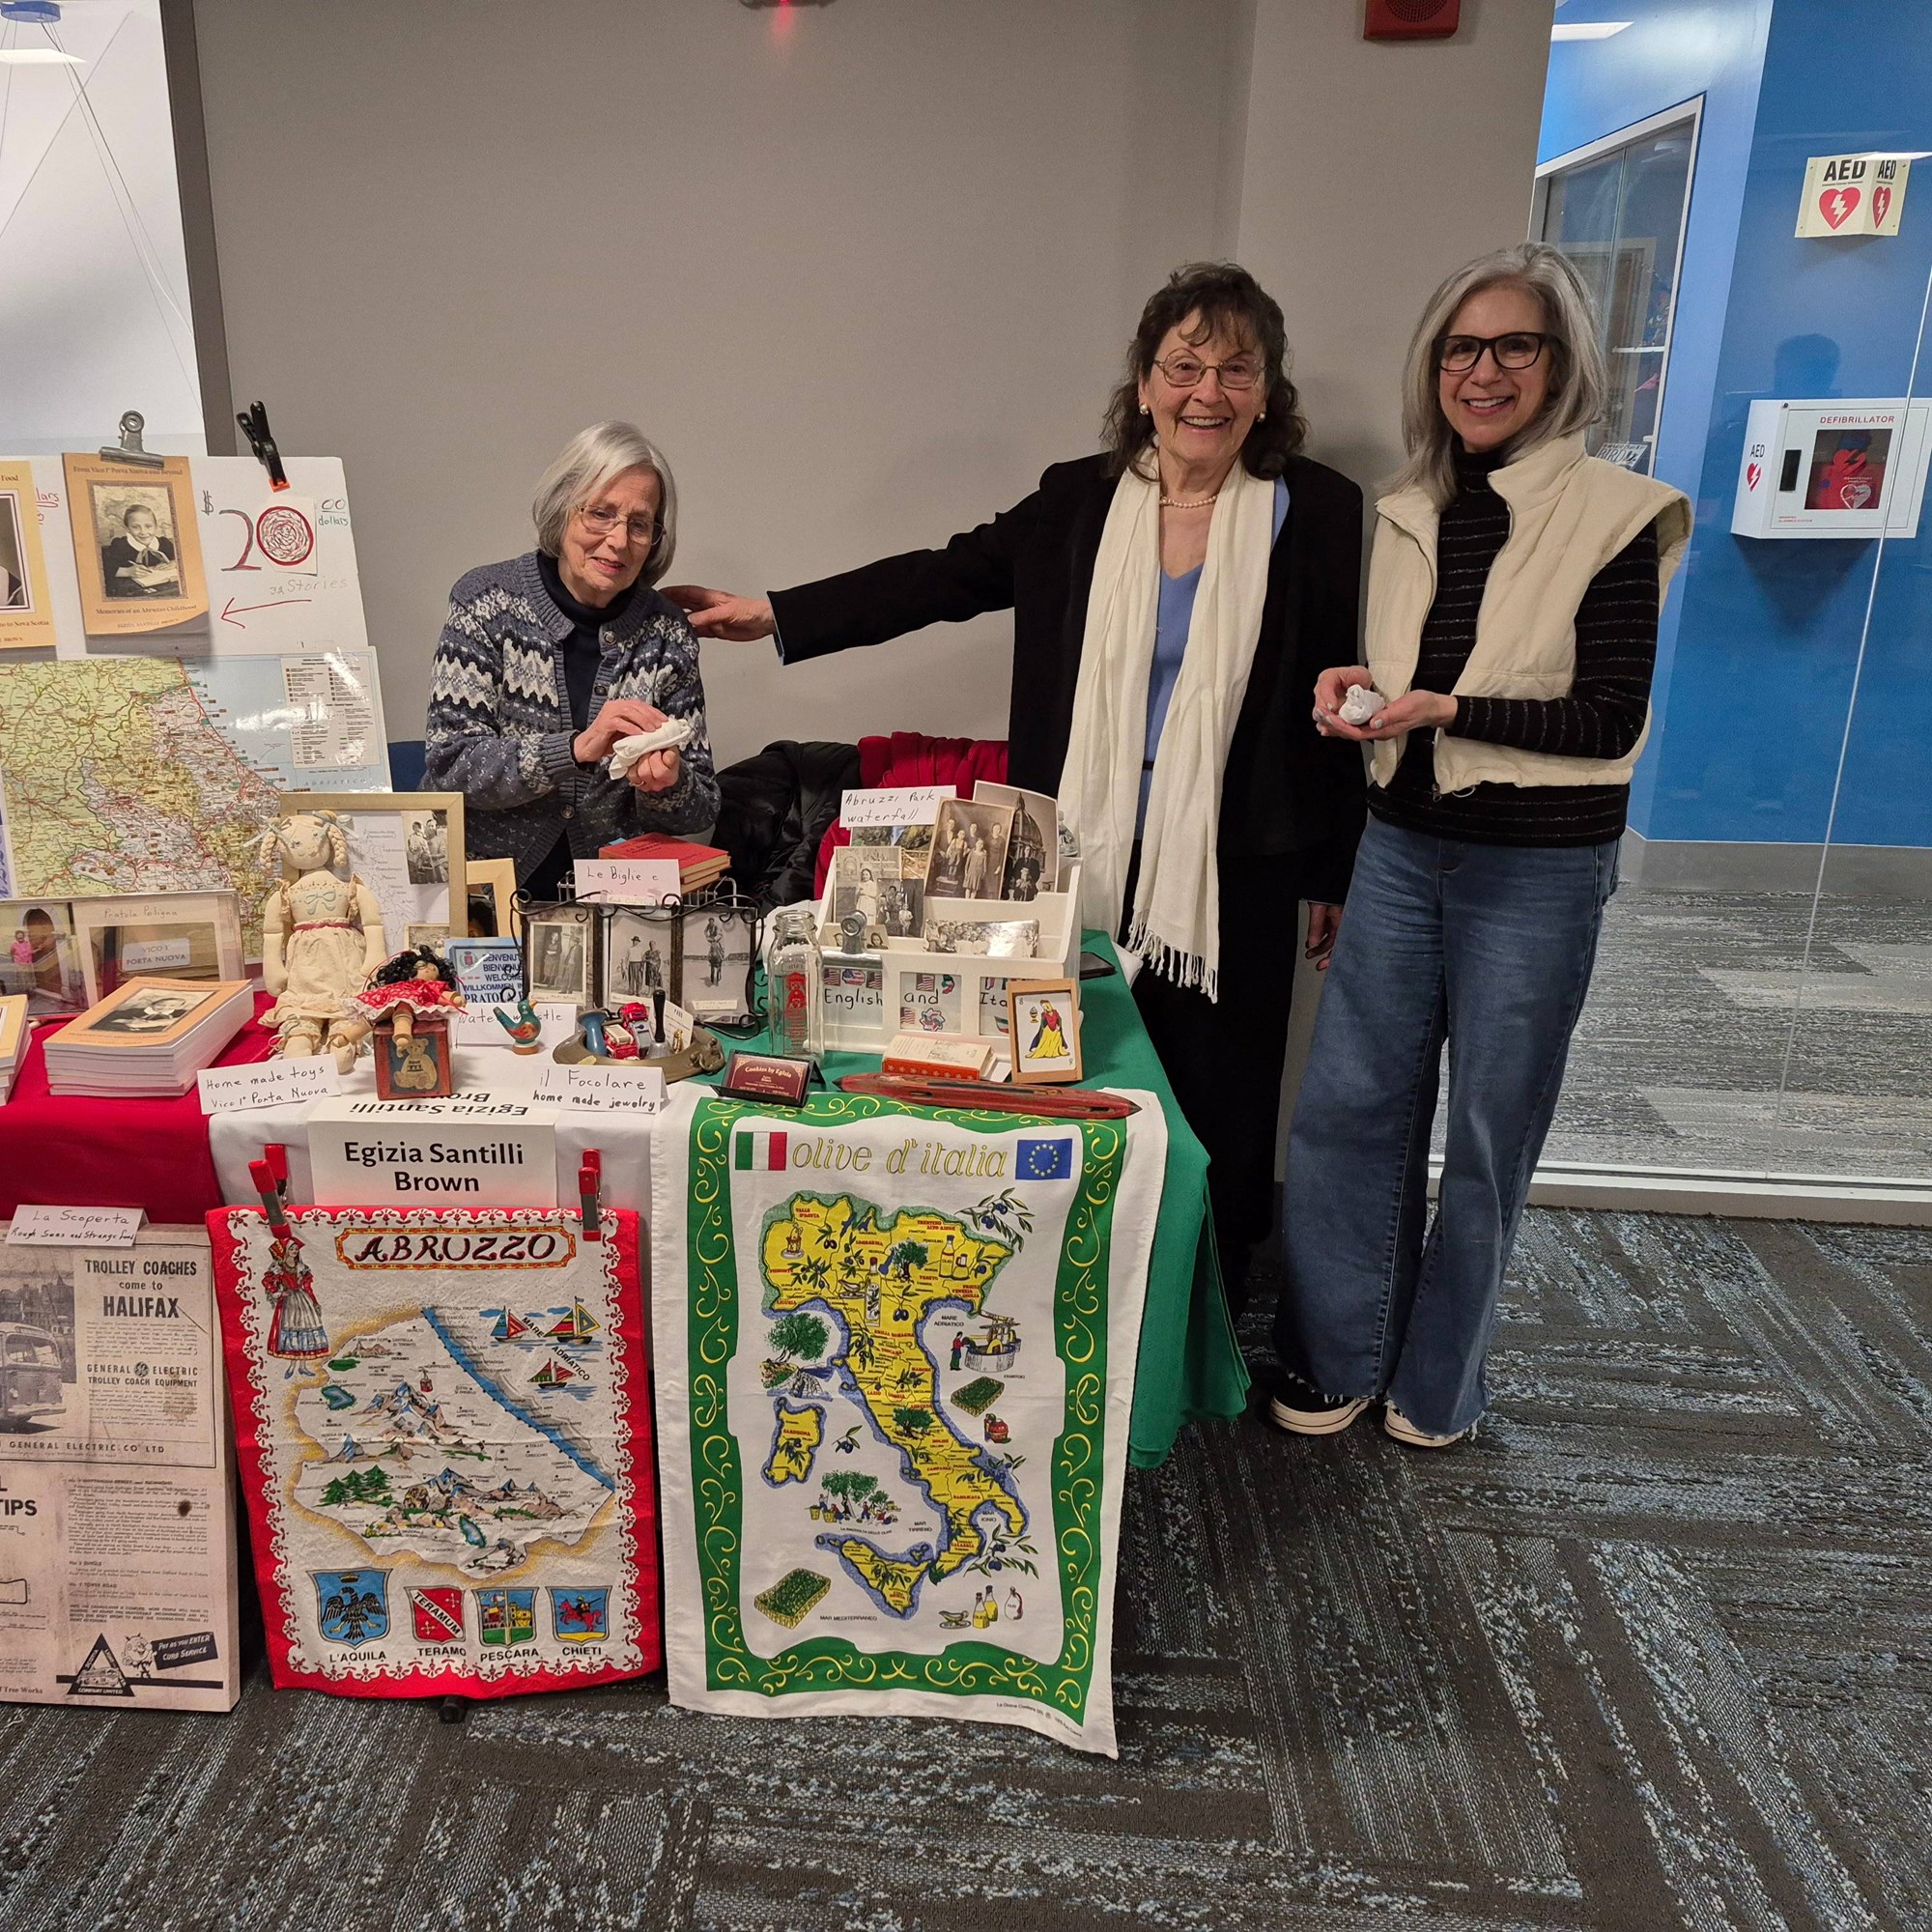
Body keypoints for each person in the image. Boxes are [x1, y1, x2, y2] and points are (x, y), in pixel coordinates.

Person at [669, 263, 1365, 1304]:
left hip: (1232, 868)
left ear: (1267, 390)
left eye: (1234, 369)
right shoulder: (1077, 502)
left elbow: (1343, 682)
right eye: (1183, 366)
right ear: (1143, 382)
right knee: (1067, 1079)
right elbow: (936, 577)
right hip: (1069, 856)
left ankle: (1200, 1313)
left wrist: (1336, 866)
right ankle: (1067, 1296)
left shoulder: (1315, 510)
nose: (1205, 393)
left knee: (1218, 1101)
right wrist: (778, 612)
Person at [1264, 242, 1692, 1449]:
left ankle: (1435, 1384)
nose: (1483, 369)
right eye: (1462, 347)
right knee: (1349, 1110)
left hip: (1536, 869)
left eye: (1514, 345)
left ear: (1560, 366)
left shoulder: (1617, 511)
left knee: (1493, 1129)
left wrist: (1446, 709)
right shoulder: (1409, 510)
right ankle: (1335, 1354)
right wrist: (1363, 689)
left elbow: (1607, 716)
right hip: (1401, 844)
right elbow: (1414, 684)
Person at [424, 422, 720, 898]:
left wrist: (667, 784)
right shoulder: (486, 601)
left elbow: (701, 806)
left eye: (639, 524)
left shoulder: (667, 635)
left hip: (613, 909)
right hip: (482, 900)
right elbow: (451, 765)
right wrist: (576, 748)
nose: (619, 541)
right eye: (600, 513)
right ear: (563, 512)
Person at [99, 502, 179, 598]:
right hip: (132, 593)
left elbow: (183, 558)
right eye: (135, 527)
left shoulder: (164, 543)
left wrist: (174, 563)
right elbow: (104, 568)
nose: (143, 532)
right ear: (127, 528)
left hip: (162, 590)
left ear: (156, 526)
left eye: (148, 526)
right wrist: (127, 571)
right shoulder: (120, 545)